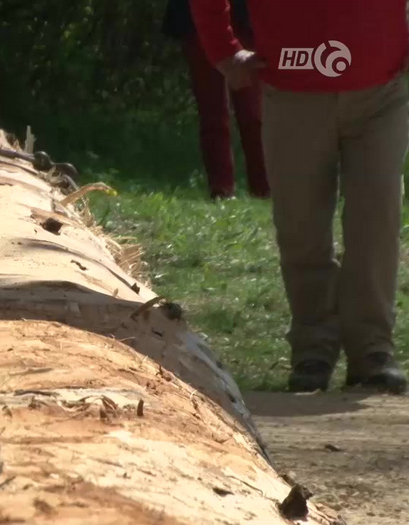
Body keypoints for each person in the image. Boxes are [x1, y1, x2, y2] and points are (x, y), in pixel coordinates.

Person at [190, 0, 409, 393]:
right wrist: (223, 49)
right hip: (293, 90)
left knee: (376, 220)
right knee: (301, 225)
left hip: (381, 91)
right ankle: (313, 350)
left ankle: (373, 350)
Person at [162, 0, 270, 200]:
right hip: (198, 18)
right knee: (212, 111)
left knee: (253, 113)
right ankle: (221, 189)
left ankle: (264, 188)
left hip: (246, 16)